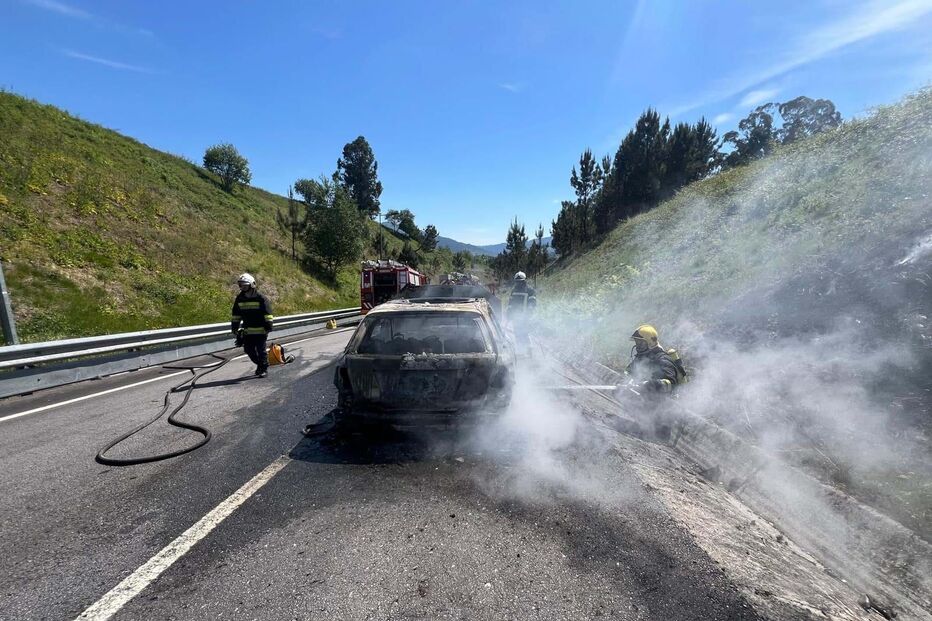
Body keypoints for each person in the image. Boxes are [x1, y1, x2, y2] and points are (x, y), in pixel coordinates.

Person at [624, 324, 681, 439]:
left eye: (641, 343)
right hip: (647, 397)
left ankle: (660, 430)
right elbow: (628, 371)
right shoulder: (642, 357)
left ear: (650, 342)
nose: (638, 346)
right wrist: (627, 381)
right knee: (622, 393)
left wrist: (651, 384)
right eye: (636, 342)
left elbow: (671, 383)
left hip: (664, 405)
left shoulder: (663, 360)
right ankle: (643, 423)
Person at [230, 273, 274, 377]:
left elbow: (268, 314)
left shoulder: (261, 298)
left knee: (260, 350)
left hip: (261, 330)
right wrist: (234, 328)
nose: (242, 287)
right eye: (241, 285)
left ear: (252, 285)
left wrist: (268, 326)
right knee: (248, 350)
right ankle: (261, 364)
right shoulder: (240, 298)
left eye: (244, 285)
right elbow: (236, 314)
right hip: (248, 331)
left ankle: (263, 369)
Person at [507, 271, 537, 354]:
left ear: (524, 281)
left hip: (525, 317)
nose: (518, 283)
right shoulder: (514, 291)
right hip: (516, 317)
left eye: (520, 282)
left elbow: (532, 302)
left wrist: (529, 312)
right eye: (517, 282)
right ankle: (521, 351)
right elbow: (510, 303)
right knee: (517, 333)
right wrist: (509, 313)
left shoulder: (530, 290)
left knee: (525, 333)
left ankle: (529, 351)